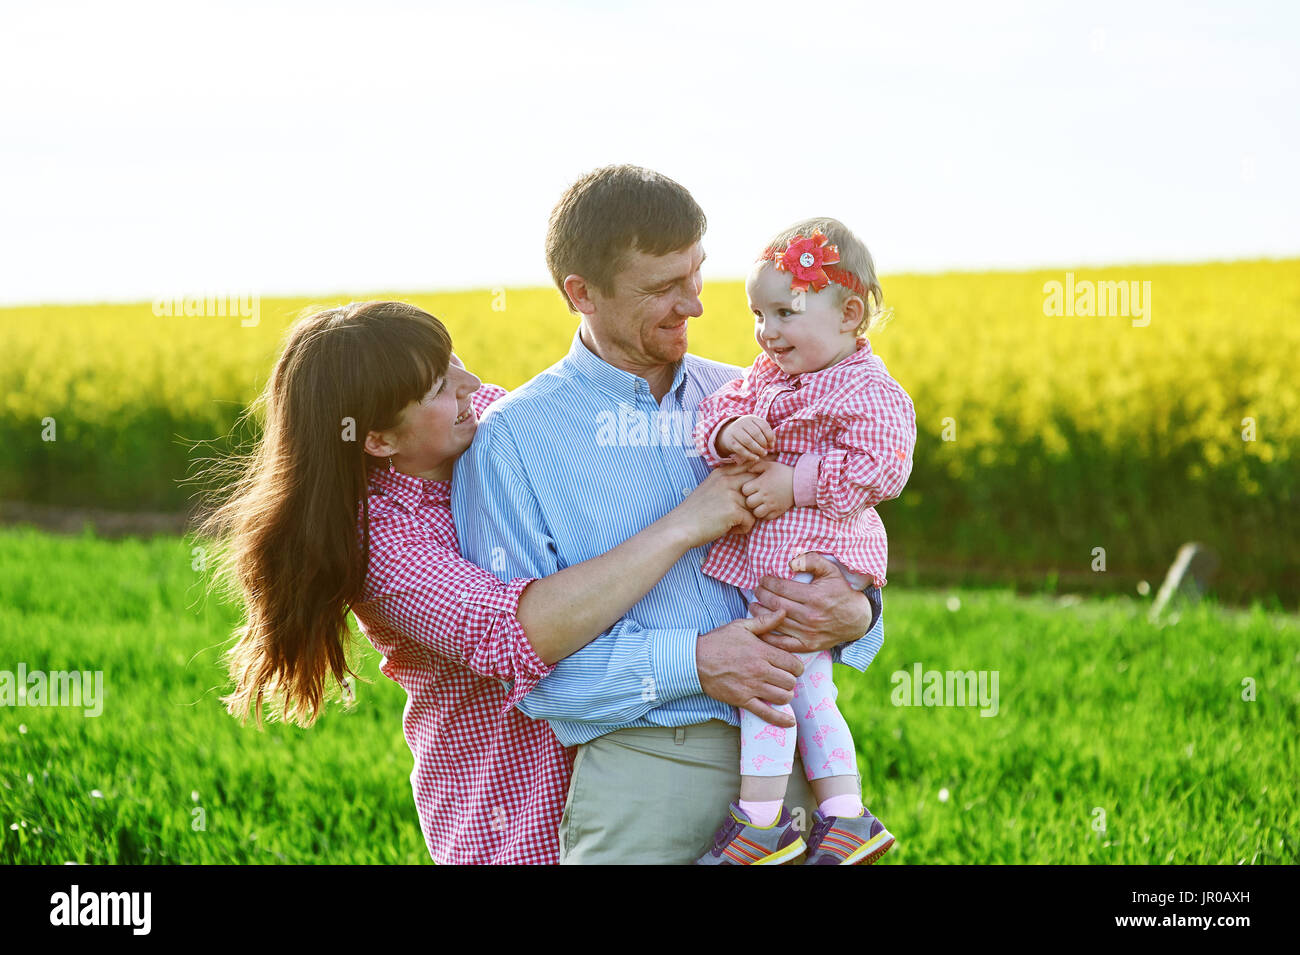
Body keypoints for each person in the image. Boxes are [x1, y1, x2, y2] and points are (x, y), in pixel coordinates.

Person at [202, 300, 761, 864]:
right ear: (377, 440)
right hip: (510, 812)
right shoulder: (380, 544)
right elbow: (513, 634)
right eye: (438, 388)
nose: (473, 383)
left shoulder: (492, 420)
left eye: (456, 362)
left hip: (633, 779)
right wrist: (686, 526)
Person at [453, 166, 885, 864]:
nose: (694, 307)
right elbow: (523, 669)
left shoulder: (756, 394)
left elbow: (842, 527)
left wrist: (859, 611)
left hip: (793, 764)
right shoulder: (515, 440)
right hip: (644, 775)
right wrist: (699, 662)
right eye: (661, 288)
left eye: (697, 276)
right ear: (581, 293)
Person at [691, 218, 917, 865]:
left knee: (772, 681)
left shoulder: (867, 387)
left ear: (850, 315)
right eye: (758, 314)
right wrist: (730, 428)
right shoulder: (765, 375)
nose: (767, 332)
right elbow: (717, 406)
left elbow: (884, 464)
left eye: (785, 312)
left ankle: (761, 825)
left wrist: (795, 481)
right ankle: (845, 816)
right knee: (806, 689)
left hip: (817, 556)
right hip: (776, 559)